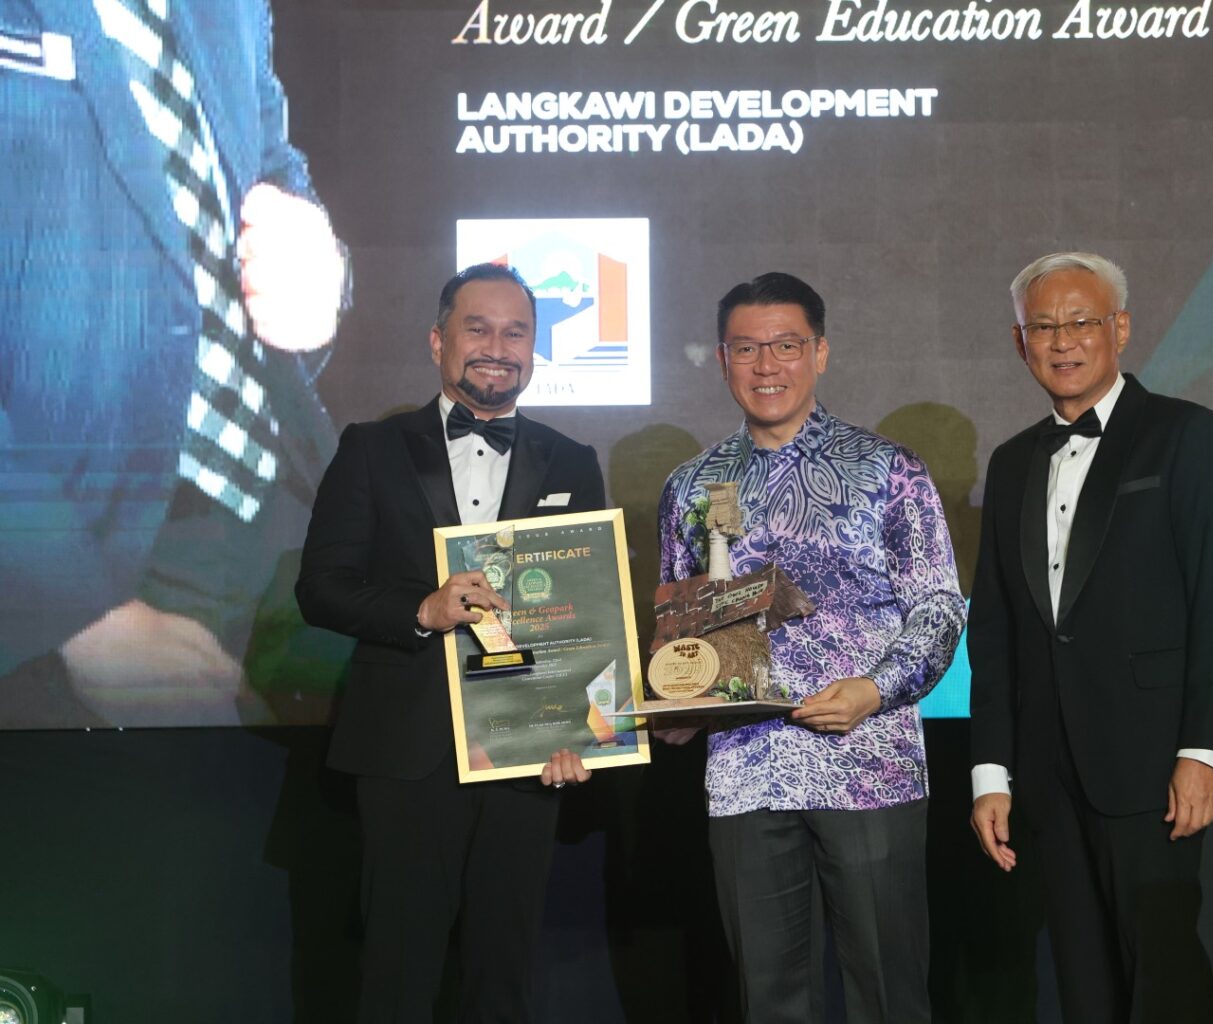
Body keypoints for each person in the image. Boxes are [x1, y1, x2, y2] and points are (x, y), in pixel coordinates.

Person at [0, 0, 347, 725]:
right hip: (83, 556)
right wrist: (70, 611)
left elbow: (272, 168)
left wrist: (323, 272)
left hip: (286, 522)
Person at [655, 272, 966, 1023]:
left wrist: (875, 688)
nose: (768, 365)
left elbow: (940, 608)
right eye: (747, 348)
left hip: (868, 766)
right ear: (722, 359)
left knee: (887, 992)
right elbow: (677, 622)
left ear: (820, 353)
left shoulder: (890, 471)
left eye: (787, 345)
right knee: (768, 999)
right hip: (744, 771)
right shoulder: (689, 485)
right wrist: (672, 702)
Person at [295, 263, 597, 1023]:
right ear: (438, 341)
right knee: (397, 971)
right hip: (406, 747)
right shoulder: (371, 447)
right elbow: (321, 588)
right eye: (478, 327)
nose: (498, 346)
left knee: (504, 973)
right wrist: (422, 610)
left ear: (534, 350)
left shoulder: (572, 460)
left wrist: (575, 732)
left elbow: (585, 613)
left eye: (516, 332)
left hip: (527, 749)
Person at [967, 252, 1213, 1023]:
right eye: (1043, 327)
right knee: (1081, 983)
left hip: (1153, 767)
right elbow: (992, 629)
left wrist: (1204, 751)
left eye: (1081, 321)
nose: (1063, 341)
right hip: (1046, 777)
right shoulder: (1012, 461)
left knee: (1162, 978)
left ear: (1120, 328)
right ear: (1019, 342)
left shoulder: (1185, 436)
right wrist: (991, 775)